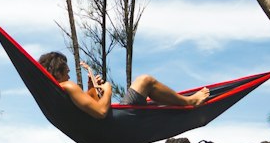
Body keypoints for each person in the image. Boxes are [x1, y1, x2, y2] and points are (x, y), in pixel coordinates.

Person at [37, 50, 210, 120]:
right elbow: (101, 112)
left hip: (106, 129)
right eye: (66, 72)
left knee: (149, 91)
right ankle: (189, 102)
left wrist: (91, 88)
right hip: (117, 120)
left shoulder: (59, 94)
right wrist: (108, 90)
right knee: (145, 81)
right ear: (57, 72)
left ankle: (184, 101)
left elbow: (90, 108)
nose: (69, 76)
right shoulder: (67, 86)